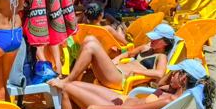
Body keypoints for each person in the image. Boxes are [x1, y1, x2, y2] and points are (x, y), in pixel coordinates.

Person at [48, 59, 216, 109]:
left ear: (184, 79)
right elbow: (160, 82)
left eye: (176, 72)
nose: (171, 74)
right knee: (76, 84)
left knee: (69, 89)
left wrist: (94, 107)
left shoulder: (167, 101)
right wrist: (171, 80)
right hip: (125, 103)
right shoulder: (175, 93)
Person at [50, 24, 179, 91]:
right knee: (89, 41)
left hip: (120, 79)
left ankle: (68, 81)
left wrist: (138, 71)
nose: (151, 39)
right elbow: (128, 53)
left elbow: (159, 73)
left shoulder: (161, 56)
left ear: (165, 42)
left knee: (91, 44)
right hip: (115, 70)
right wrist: (116, 59)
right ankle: (71, 82)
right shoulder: (146, 47)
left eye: (156, 38)